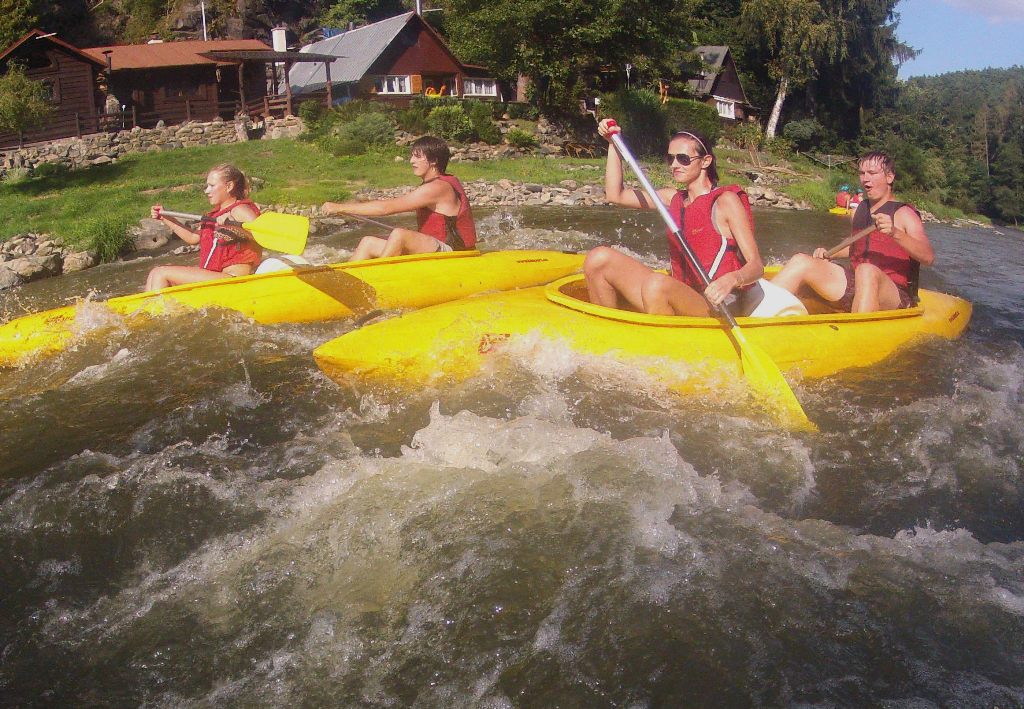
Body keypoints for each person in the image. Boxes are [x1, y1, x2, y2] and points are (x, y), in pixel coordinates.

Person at [583, 119, 766, 316]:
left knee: (657, 285)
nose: (675, 165)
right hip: (680, 294)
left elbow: (756, 266)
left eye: (683, 159)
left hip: (718, 304)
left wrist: (732, 279)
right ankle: (611, 338)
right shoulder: (672, 198)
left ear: (705, 161)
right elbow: (615, 195)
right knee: (598, 259)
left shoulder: (725, 201)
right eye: (670, 159)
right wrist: (613, 144)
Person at [771, 151, 935, 312]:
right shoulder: (858, 210)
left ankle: (860, 331)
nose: (865, 179)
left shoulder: (904, 213)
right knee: (801, 260)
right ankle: (761, 313)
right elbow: (855, 246)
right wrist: (829, 254)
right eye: (862, 173)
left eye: (872, 173)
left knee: (866, 270)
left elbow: (928, 257)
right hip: (856, 281)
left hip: (894, 293)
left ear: (889, 177)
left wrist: (895, 232)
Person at [321, 135, 477, 261]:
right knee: (368, 242)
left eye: (417, 157)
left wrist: (339, 207)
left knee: (400, 234)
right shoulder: (433, 184)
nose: (411, 161)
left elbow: (385, 208)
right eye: (412, 157)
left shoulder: (437, 188)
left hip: (455, 253)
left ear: (434, 161)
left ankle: (377, 280)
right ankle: (349, 283)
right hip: (434, 248)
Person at [145, 164, 261, 291]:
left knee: (160, 274)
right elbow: (193, 237)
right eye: (207, 186)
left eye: (212, 186)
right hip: (218, 277)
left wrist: (236, 227)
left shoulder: (240, 210)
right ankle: (145, 309)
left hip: (234, 280)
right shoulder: (216, 214)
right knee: (153, 274)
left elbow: (260, 236)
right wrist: (165, 218)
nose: (207, 191)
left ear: (229, 186)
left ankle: (152, 311)